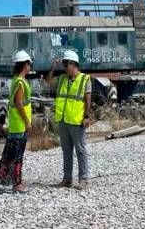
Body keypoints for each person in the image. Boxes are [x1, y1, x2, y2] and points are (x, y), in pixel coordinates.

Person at [45, 49, 92, 189]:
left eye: (66, 65)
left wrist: (87, 116)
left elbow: (88, 99)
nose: (64, 68)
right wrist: (53, 67)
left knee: (80, 150)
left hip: (77, 120)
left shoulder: (84, 79)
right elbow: (48, 81)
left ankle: (83, 179)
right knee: (66, 151)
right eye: (63, 65)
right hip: (63, 119)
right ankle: (67, 179)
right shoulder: (62, 79)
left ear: (73, 64)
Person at [0, 50, 33, 193]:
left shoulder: (16, 80)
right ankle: (17, 183)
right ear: (25, 65)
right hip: (20, 124)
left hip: (15, 124)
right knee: (17, 156)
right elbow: (19, 103)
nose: (30, 66)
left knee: (11, 154)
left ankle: (6, 179)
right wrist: (27, 122)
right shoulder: (21, 82)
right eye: (29, 64)